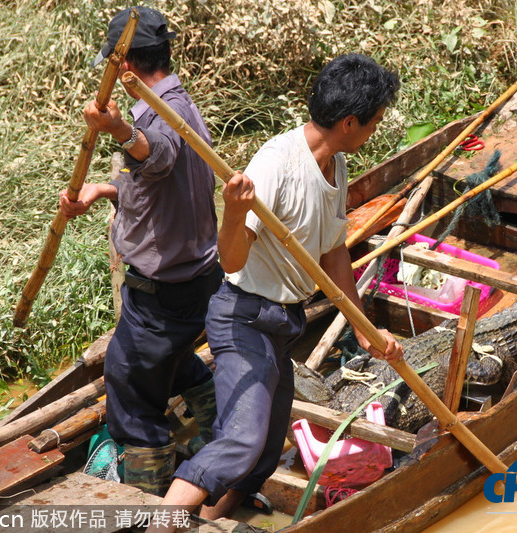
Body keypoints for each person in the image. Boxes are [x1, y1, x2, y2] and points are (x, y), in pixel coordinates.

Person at [156, 53, 405, 523]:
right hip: (243, 317)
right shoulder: (276, 163)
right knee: (241, 441)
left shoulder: (335, 164)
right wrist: (233, 211)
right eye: (372, 123)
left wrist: (364, 326)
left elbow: (333, 254)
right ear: (349, 123)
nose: (373, 132)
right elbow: (230, 260)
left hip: (281, 323)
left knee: (267, 450)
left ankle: (210, 520)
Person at [58, 6, 222, 496]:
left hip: (165, 291)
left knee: (128, 382)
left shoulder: (158, 117)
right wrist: (104, 191)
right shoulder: (182, 104)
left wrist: (115, 130)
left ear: (124, 69)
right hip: (198, 280)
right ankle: (216, 425)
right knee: (164, 358)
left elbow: (159, 153)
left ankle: (147, 496)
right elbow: (156, 182)